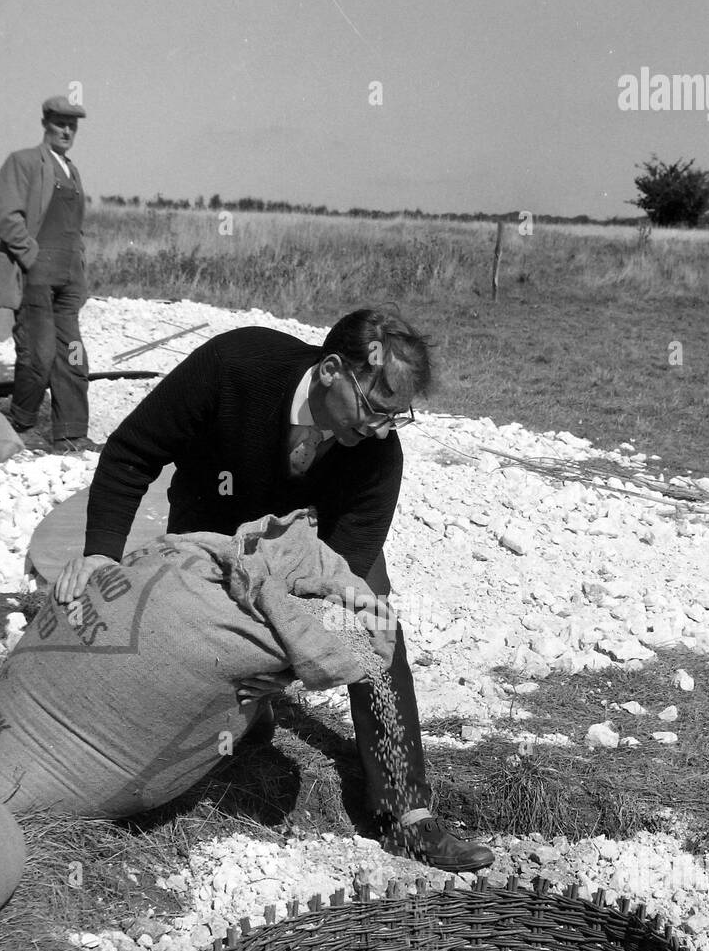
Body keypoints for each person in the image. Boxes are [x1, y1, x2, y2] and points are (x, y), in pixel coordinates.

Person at [54, 310, 495, 873]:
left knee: (375, 634)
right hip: (212, 525)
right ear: (332, 370)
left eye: (397, 416)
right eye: (375, 408)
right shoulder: (234, 367)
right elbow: (131, 452)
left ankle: (404, 813)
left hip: (316, 549)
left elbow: (342, 574)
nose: (383, 428)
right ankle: (237, 718)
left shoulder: (376, 452)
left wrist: (303, 642)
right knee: (194, 643)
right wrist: (101, 551)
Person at [0, 96, 91, 453]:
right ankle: (22, 424)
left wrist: (78, 270)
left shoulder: (72, 170)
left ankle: (71, 434)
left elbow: (74, 229)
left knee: (74, 354)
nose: (67, 130)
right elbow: (8, 218)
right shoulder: (23, 162)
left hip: (67, 279)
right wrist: (32, 259)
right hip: (35, 276)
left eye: (72, 125)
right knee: (39, 353)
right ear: (45, 123)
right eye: (60, 123)